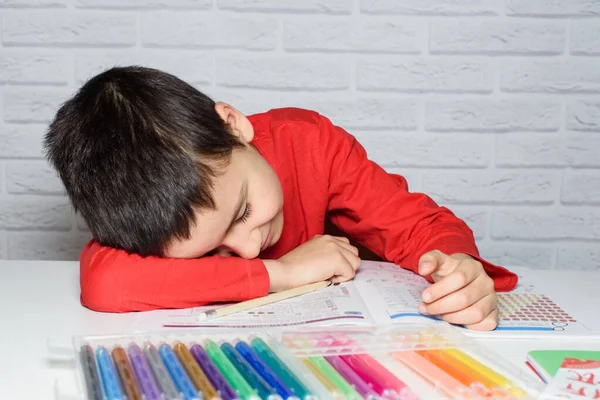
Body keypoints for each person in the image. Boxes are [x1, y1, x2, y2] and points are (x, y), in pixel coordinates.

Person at [44, 66, 517, 331]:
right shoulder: (142, 213)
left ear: (233, 125)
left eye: (244, 210)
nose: (248, 248)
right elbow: (106, 284)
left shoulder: (309, 143)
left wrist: (458, 267)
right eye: (215, 251)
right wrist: (282, 272)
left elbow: (418, 224)